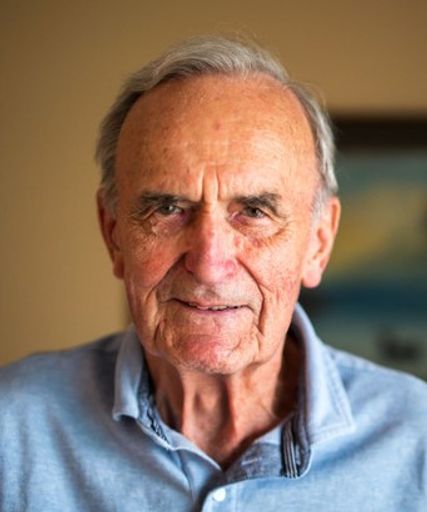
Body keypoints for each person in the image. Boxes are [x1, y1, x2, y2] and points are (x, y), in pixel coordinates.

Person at [0, 35, 426, 512]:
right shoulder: (12, 429)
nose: (208, 264)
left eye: (254, 212)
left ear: (319, 242)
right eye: (167, 208)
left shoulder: (418, 444)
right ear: (113, 233)